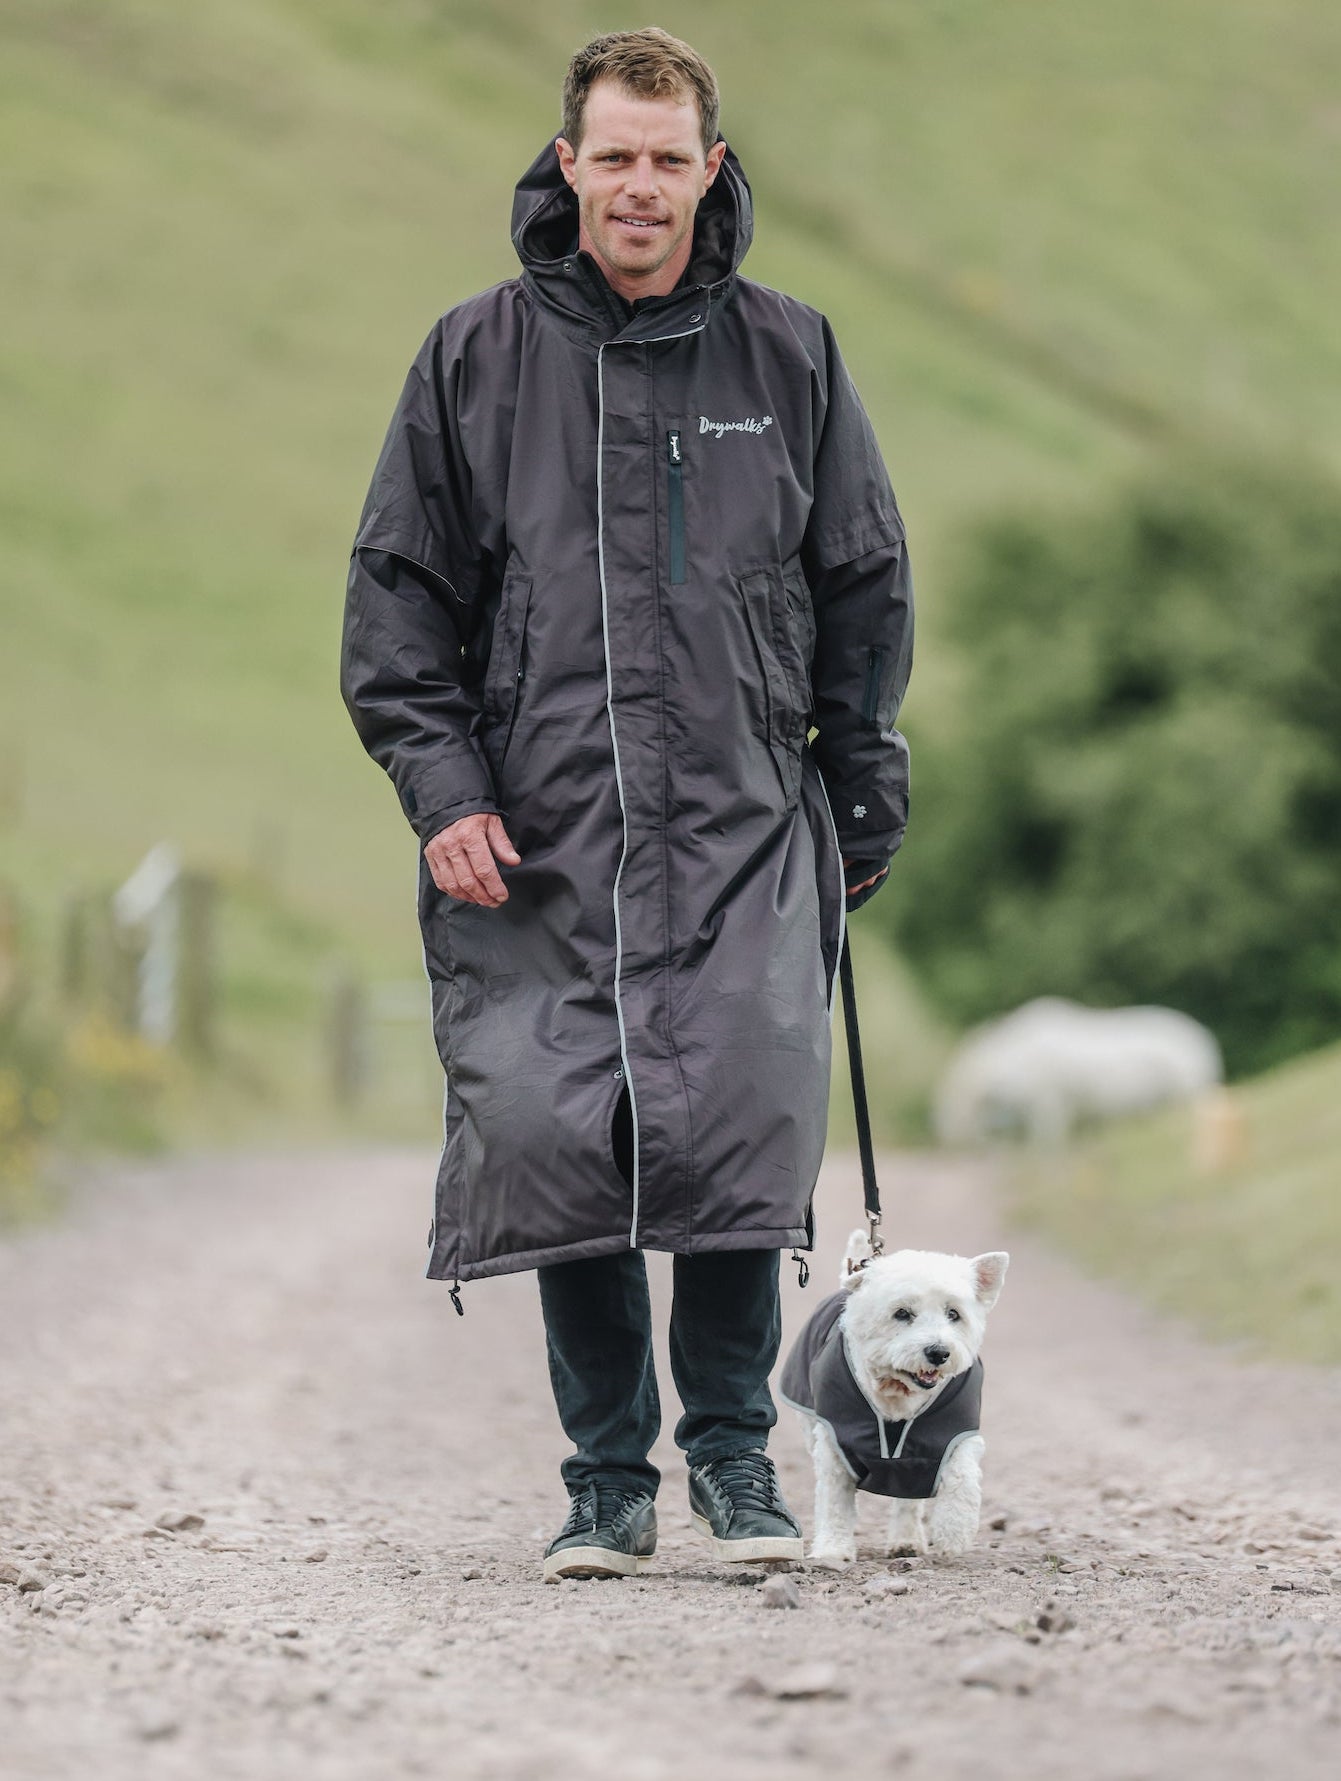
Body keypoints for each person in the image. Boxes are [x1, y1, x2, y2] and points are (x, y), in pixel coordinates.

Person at [341, 27, 913, 1582]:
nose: (641, 186)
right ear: (567, 163)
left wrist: (862, 794)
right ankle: (605, 1482)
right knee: (560, 1134)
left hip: (737, 821)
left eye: (669, 160)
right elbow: (396, 599)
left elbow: (858, 578)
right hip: (536, 835)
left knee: (735, 1118)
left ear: (707, 171)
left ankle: (732, 1466)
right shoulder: (472, 358)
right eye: (615, 156)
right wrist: (441, 788)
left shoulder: (792, 355)